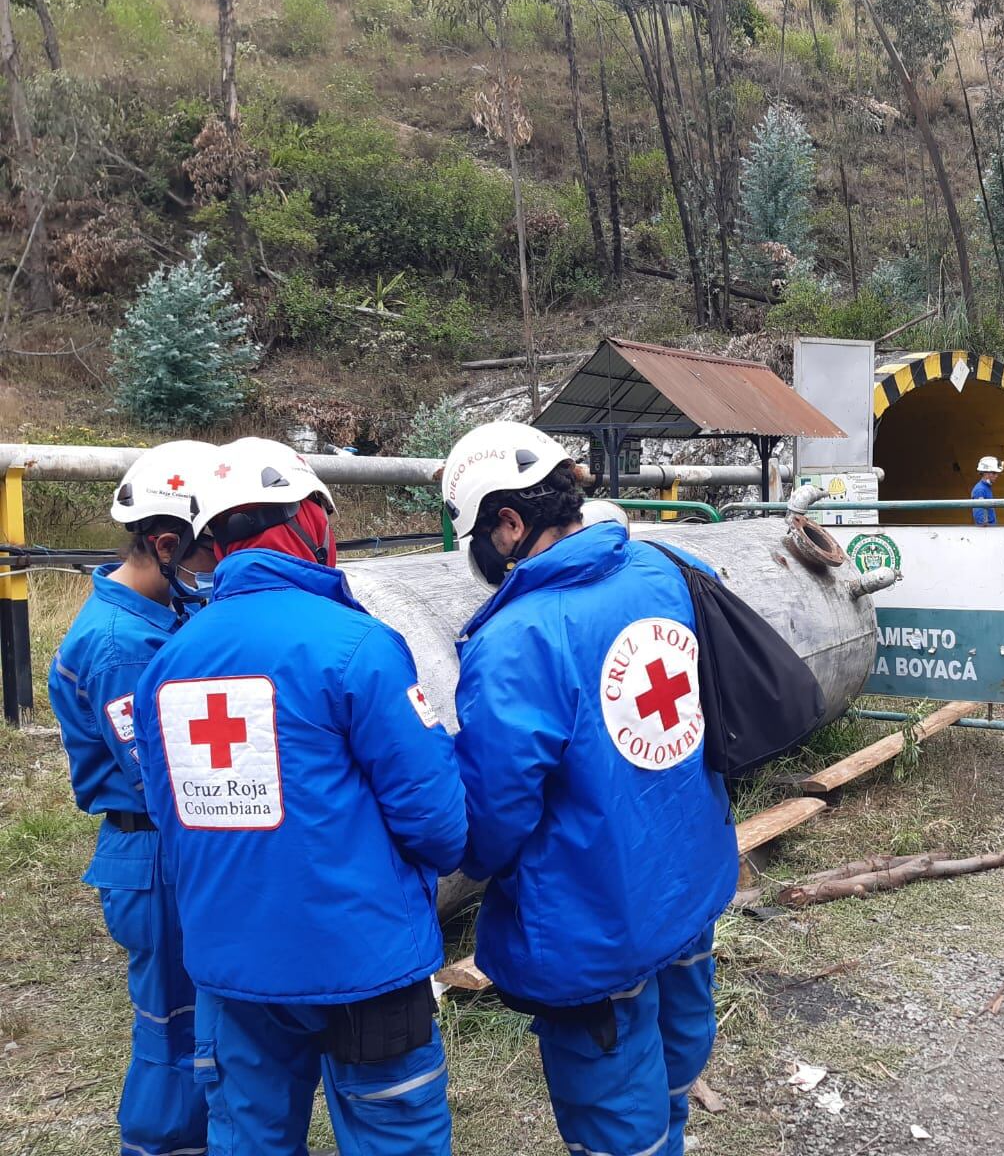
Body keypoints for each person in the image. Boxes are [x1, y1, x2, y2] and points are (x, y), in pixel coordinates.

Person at [134, 437, 466, 1156]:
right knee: (393, 1135)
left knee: (250, 1136)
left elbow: (170, 818)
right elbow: (435, 817)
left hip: (233, 967)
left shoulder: (166, 665)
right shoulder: (356, 644)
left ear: (214, 543)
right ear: (314, 520)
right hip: (362, 963)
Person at [443, 422, 739, 1156]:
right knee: (674, 1058)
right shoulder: (657, 570)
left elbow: (496, 811)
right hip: (686, 878)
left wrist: (463, 853)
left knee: (614, 1114)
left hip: (591, 914)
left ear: (508, 524)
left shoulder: (516, 639)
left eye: (478, 538)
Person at [46, 441, 220, 1156]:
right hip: (153, 854)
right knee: (171, 1029)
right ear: (166, 542)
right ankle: (157, 1146)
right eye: (214, 550)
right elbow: (161, 773)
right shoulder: (121, 644)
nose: (219, 567)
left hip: (163, 850)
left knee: (197, 1020)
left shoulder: (157, 619)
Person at [971, 455, 1003, 525]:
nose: (996, 475)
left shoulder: (986, 487)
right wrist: (987, 530)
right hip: (986, 531)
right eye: (994, 473)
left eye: (997, 473)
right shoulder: (980, 489)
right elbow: (979, 515)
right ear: (985, 473)